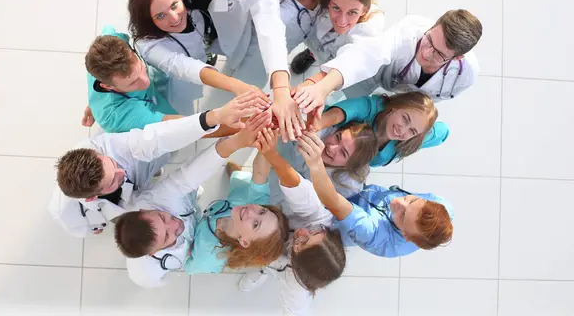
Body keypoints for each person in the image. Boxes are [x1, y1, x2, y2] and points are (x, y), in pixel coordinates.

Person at [161, 0, 304, 143]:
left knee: (191, 83)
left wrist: (282, 89)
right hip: (180, 22)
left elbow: (271, 29)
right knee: (170, 76)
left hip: (220, 33)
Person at [48, 92, 260, 237]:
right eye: (113, 180)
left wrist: (215, 117)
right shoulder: (63, 212)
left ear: (96, 153)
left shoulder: (109, 146)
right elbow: (180, 182)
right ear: (92, 197)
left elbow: (157, 138)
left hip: (145, 170)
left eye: (112, 163)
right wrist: (95, 227)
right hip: (120, 209)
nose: (122, 171)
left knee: (155, 159)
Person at [114, 112, 271, 287]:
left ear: (144, 210)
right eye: (167, 236)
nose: (176, 226)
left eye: (164, 217)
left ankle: (192, 199)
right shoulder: (145, 273)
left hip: (184, 200)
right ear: (153, 253)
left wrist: (237, 141)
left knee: (186, 187)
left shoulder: (159, 197)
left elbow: (193, 172)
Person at [294, 10, 483, 118]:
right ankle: (311, 53)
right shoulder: (410, 30)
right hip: (379, 71)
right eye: (429, 40)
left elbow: (433, 99)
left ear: (457, 58)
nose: (426, 52)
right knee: (344, 73)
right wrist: (321, 88)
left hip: (405, 94)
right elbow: (366, 55)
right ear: (433, 26)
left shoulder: (466, 76)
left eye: (439, 54)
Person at [238, 128, 346, 315]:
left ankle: (264, 270)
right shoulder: (322, 220)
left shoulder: (296, 287)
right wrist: (271, 153)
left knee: (265, 260)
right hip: (279, 212)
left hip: (279, 262)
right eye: (313, 233)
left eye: (302, 242)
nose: (303, 232)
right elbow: (297, 187)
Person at [129, 0, 270, 115]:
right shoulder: (149, 46)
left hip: (199, 56)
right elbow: (186, 68)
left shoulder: (193, 11)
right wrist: (237, 86)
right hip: (174, 86)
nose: (174, 18)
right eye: (160, 15)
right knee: (183, 115)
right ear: (148, 19)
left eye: (174, 5)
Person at [296, 130, 453, 257]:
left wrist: (315, 162)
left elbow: (334, 202)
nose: (398, 202)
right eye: (410, 200)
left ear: (405, 235)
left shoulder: (375, 235)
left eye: (402, 215)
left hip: (331, 222)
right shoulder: (438, 205)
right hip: (361, 194)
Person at [182, 144, 290, 275]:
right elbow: (261, 173)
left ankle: (237, 176)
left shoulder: (207, 256)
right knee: (241, 184)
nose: (252, 211)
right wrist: (267, 144)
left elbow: (188, 267)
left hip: (197, 228)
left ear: (244, 241)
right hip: (236, 200)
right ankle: (236, 175)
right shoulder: (255, 205)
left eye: (255, 224)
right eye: (262, 211)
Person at [313, 92, 449, 167]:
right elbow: (339, 113)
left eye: (412, 131)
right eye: (405, 119)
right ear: (395, 106)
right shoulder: (371, 108)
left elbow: (443, 132)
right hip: (328, 147)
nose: (402, 131)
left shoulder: (412, 139)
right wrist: (315, 125)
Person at [289, 0, 387, 76]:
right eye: (336, 8)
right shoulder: (318, 1)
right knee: (317, 47)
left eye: (352, 12)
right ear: (328, 2)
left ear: (364, 11)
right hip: (317, 43)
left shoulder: (369, 30)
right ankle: (311, 54)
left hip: (337, 56)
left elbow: (348, 64)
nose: (342, 21)